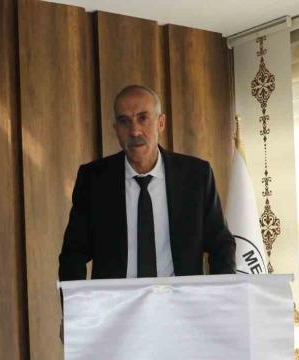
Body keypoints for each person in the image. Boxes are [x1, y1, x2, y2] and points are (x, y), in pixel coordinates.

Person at [59, 84, 235, 281]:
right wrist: (77, 300)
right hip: (117, 299)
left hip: (181, 297)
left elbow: (221, 243)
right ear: (116, 129)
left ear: (161, 123)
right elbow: (73, 254)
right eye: (124, 121)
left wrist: (222, 296)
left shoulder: (195, 176)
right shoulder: (94, 180)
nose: (134, 131)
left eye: (143, 118)